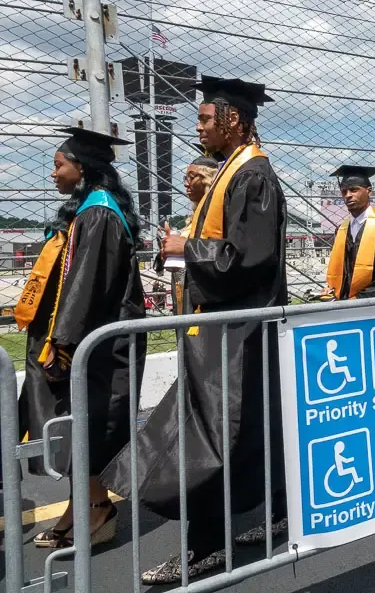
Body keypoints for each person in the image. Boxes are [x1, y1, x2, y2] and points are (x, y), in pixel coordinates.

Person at [102, 77, 288, 584]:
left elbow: (248, 260)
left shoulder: (253, 176)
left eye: (205, 118)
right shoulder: (232, 171)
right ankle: (276, 514)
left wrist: (186, 248)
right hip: (224, 330)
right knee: (240, 431)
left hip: (238, 332)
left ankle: (208, 545)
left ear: (232, 119)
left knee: (211, 440)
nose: (198, 126)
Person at [16, 127, 146, 548]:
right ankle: (86, 507)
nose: (52, 173)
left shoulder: (100, 213)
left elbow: (87, 286)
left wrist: (64, 344)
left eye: (58, 164)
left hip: (96, 345)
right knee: (77, 428)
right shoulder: (89, 210)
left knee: (87, 425)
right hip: (89, 341)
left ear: (83, 167)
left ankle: (96, 509)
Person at [321, 165, 375, 299]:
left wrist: (360, 299)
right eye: (344, 192)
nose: (348, 195)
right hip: (346, 303)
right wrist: (332, 289)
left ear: (369, 191)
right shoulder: (341, 230)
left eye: (354, 190)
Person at [158, 156, 218, 314]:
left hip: (203, 296)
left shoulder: (215, 217)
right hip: (183, 291)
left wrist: (183, 246)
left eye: (191, 178)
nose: (186, 183)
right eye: (185, 178)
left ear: (208, 180)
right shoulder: (194, 217)